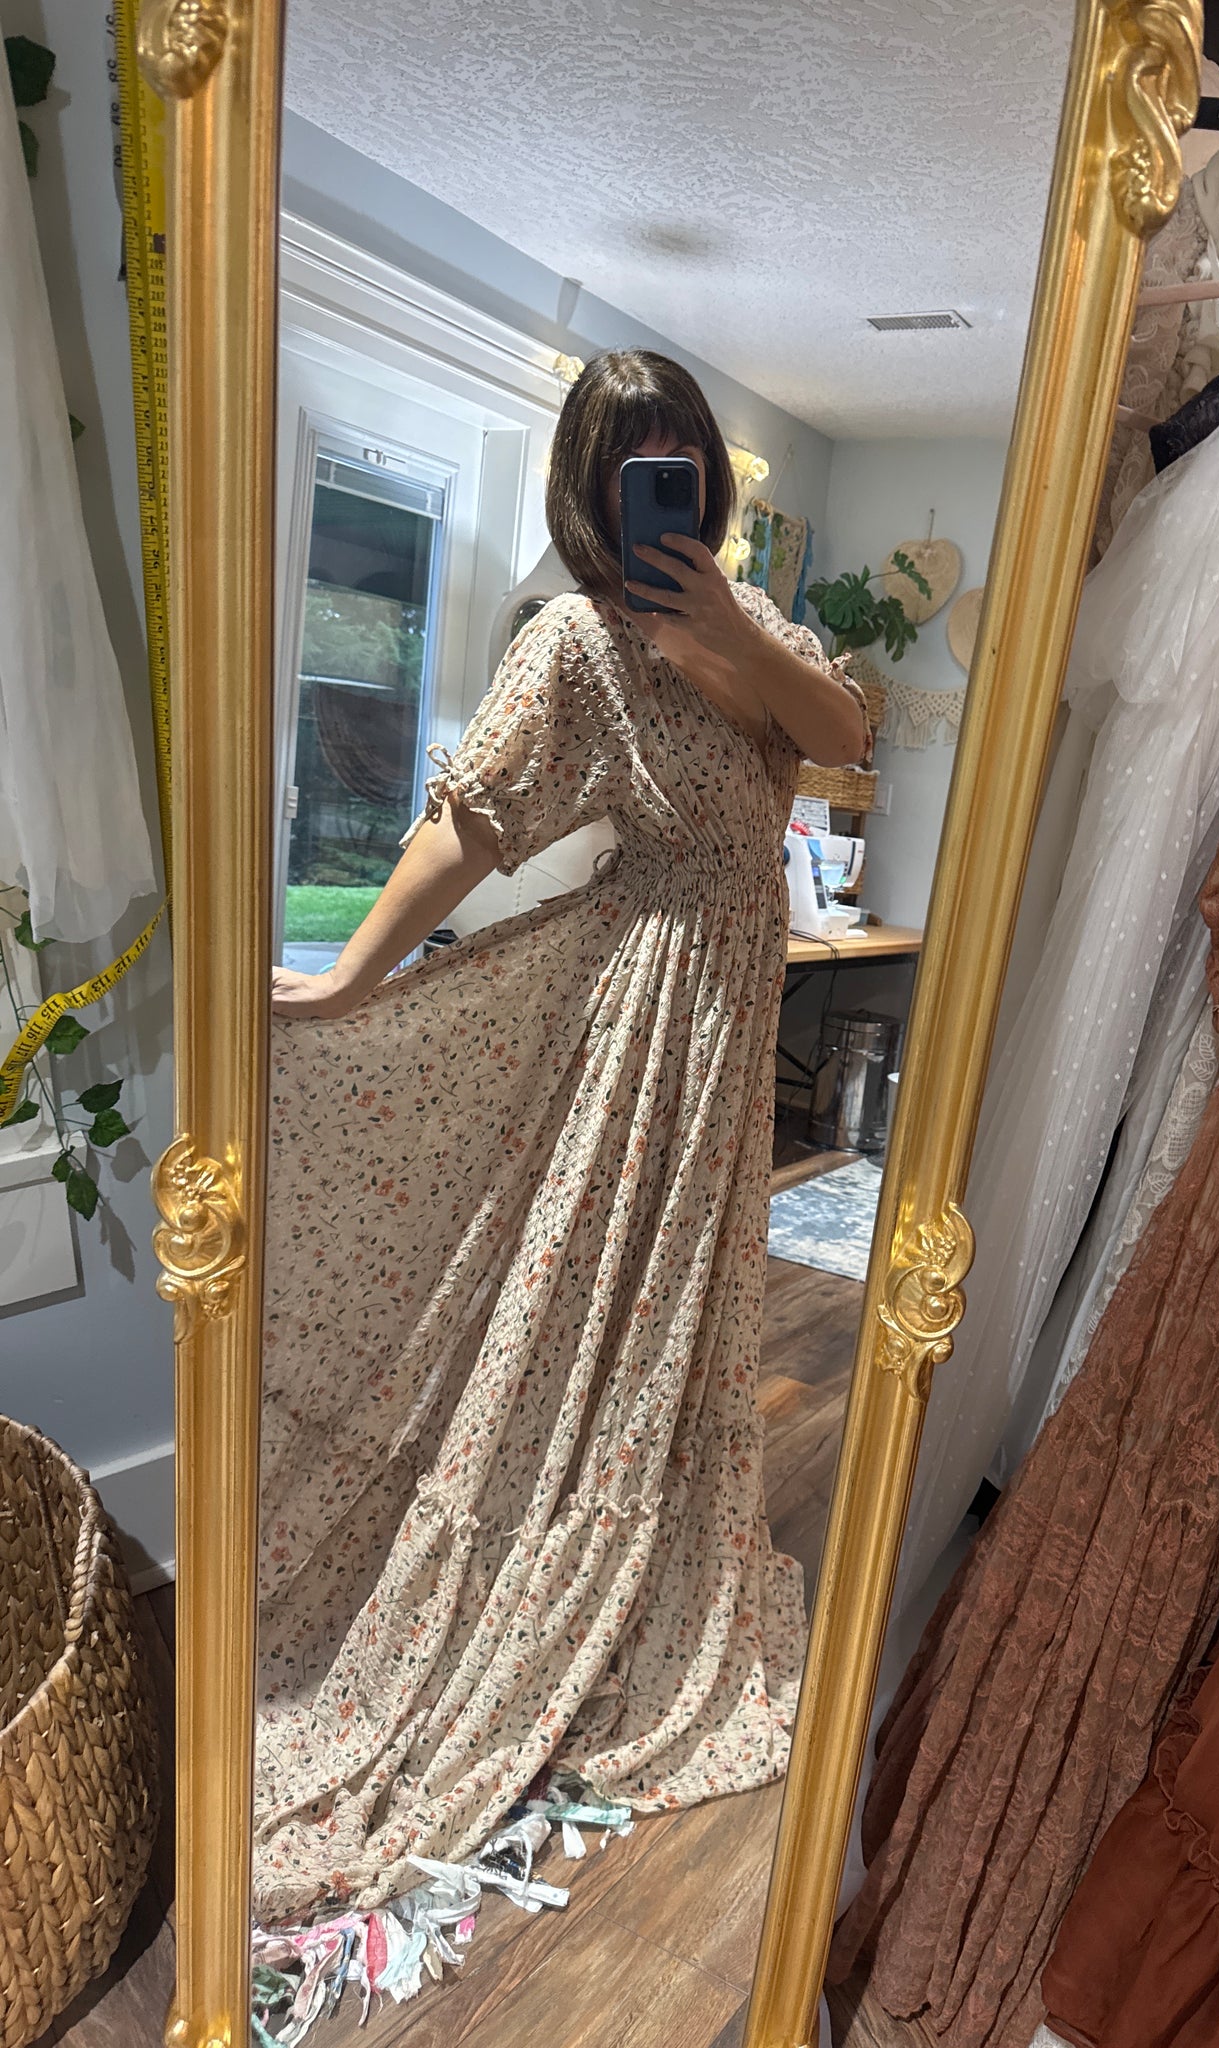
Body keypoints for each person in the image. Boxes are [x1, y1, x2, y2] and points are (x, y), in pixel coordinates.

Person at [252, 349, 868, 1922]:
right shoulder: (577, 645)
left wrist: (730, 629)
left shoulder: (753, 622)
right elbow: (466, 825)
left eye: (683, 454)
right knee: (586, 1296)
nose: (668, 480)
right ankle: (529, 1551)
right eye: (634, 459)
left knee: (684, 1306)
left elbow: (846, 731)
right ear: (592, 487)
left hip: (735, 1011)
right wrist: (349, 975)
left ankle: (646, 1531)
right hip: (642, 1009)